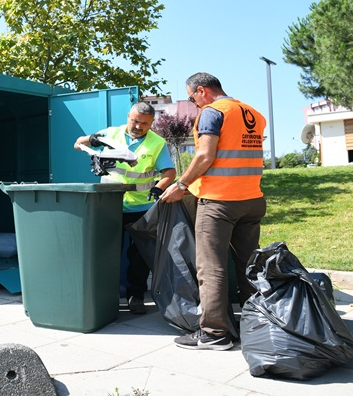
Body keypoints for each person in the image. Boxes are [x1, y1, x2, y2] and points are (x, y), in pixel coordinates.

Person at [160, 72, 267, 350]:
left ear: (201, 90)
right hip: (252, 199)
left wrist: (181, 184)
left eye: (191, 96)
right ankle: (255, 322)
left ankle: (214, 334)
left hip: (220, 202)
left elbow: (206, 155)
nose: (193, 103)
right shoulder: (251, 112)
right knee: (248, 265)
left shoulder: (212, 112)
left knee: (212, 267)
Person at [74, 101, 176, 314]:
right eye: (135, 121)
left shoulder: (157, 143)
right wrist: (92, 139)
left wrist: (158, 188)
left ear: (151, 123)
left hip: (142, 207)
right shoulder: (112, 134)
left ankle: (136, 296)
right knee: (106, 252)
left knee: (138, 256)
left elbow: (169, 173)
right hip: (110, 205)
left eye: (144, 124)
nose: (138, 126)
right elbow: (78, 143)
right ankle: (104, 294)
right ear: (128, 116)